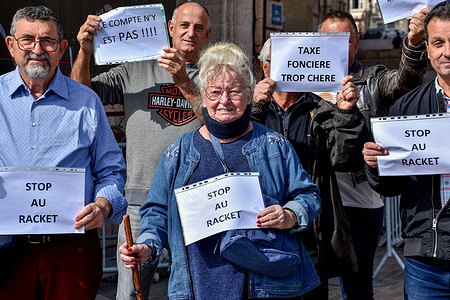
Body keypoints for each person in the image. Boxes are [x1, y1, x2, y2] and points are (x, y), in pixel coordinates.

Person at [119, 42, 322, 299]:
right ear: (203, 95)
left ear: (249, 95)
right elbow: (157, 210)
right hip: (198, 286)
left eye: (234, 91)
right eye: (215, 92)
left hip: (264, 286)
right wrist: (147, 245)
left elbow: (308, 195)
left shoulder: (274, 145)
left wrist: (290, 214)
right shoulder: (179, 152)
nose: (224, 101)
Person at [70, 2, 211, 299]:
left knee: (197, 291)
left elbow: (215, 122)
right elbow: (81, 96)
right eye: (184, 25)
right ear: (170, 28)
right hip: (139, 203)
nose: (190, 33)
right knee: (131, 293)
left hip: (196, 202)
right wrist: (84, 51)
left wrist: (184, 79)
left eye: (198, 28)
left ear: (207, 34)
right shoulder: (137, 66)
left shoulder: (213, 74)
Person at [0, 6, 127, 299]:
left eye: (48, 41)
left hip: (72, 250)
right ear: (11, 45)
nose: (38, 49)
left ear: (62, 48)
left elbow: (111, 169)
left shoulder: (87, 102)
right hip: (7, 250)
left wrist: (104, 205)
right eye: (27, 40)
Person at [317, 9, 429, 299]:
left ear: (357, 42)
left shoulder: (374, 79)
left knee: (357, 289)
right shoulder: (302, 85)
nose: (337, 47)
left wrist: (414, 43)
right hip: (314, 199)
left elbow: (406, 81)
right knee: (311, 286)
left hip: (360, 201)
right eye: (329, 40)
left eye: (345, 39)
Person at [252, 37, 368, 299]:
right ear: (264, 67)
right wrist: (256, 109)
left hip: (311, 234)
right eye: (282, 61)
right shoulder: (251, 109)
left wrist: (347, 114)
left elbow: (344, 159)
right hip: (261, 230)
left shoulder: (323, 109)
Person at [363, 2, 450, 299]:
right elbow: (393, 186)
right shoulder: (406, 108)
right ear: (426, 48)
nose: (446, 52)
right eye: (438, 43)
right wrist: (376, 165)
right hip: (426, 260)